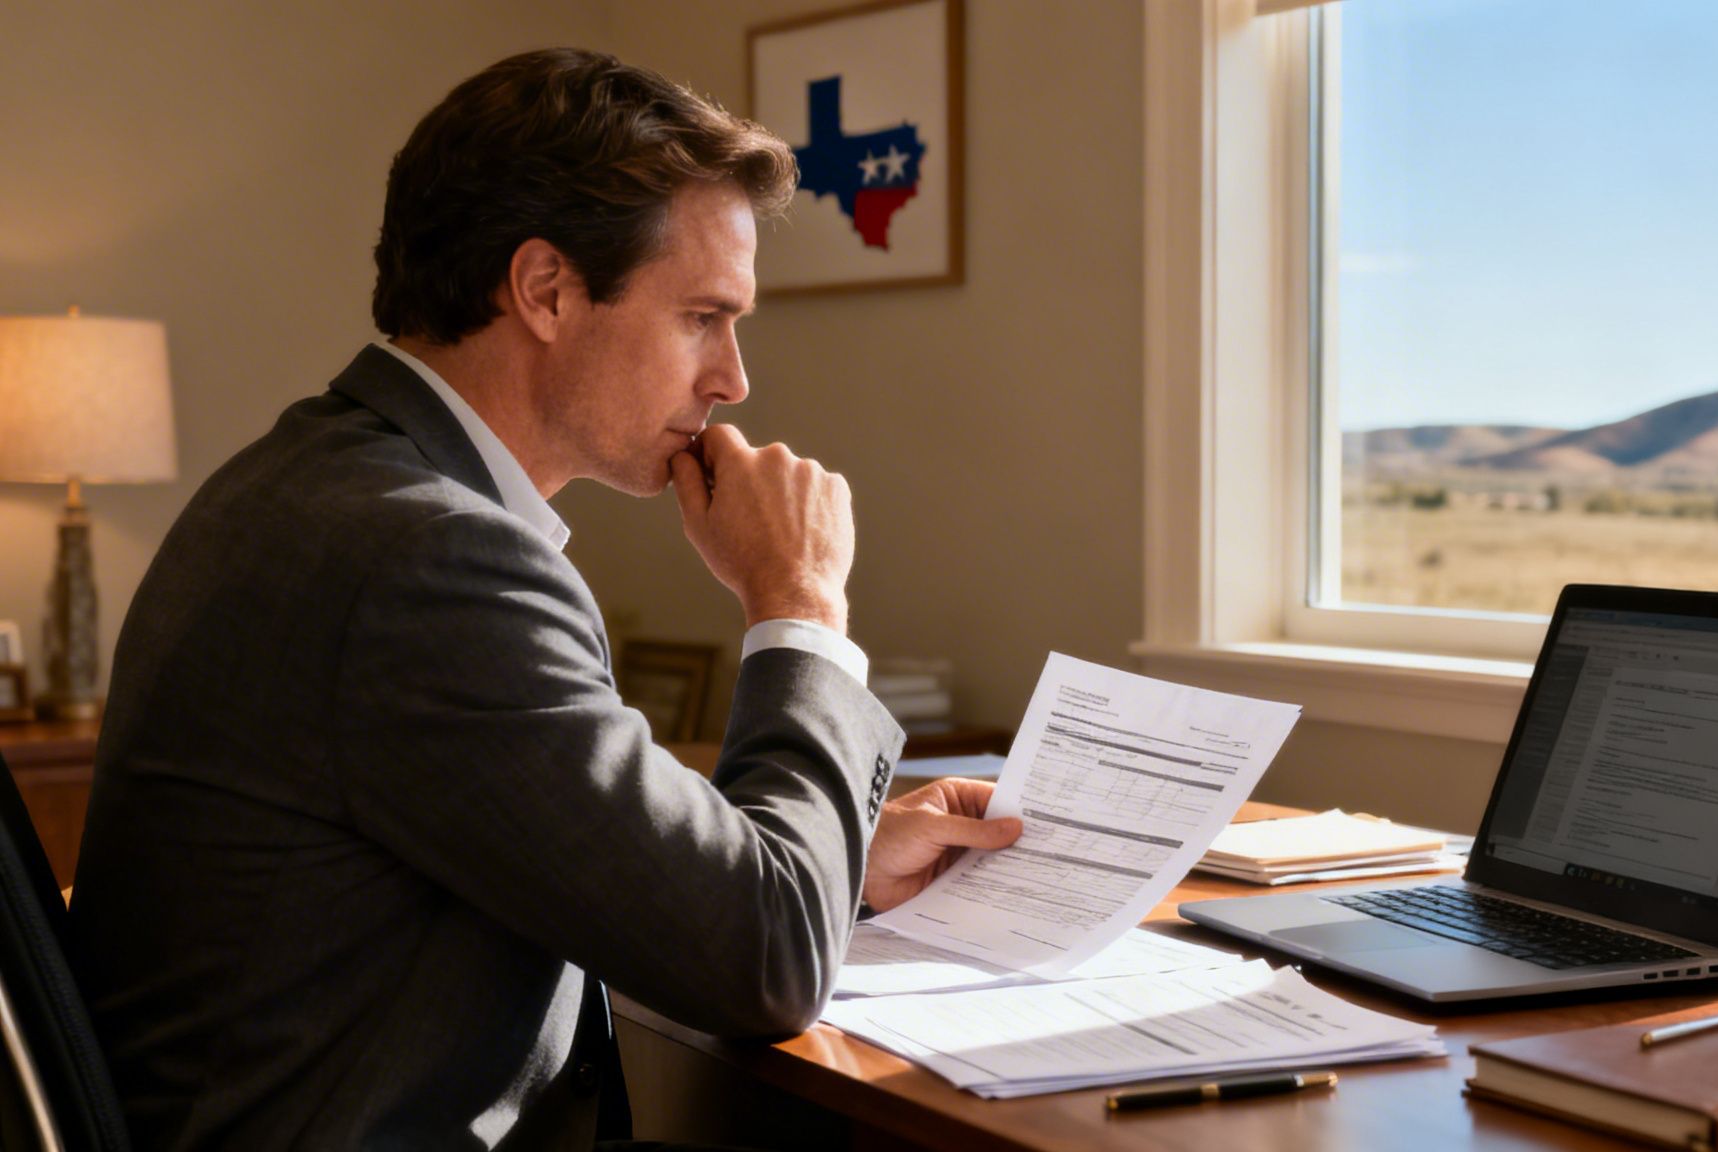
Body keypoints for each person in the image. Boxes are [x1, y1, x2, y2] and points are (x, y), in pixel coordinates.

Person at [67, 47, 1020, 1150]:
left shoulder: (308, 483)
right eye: (701, 317)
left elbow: (588, 852)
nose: (732, 378)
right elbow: (762, 963)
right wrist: (798, 600)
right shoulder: (430, 559)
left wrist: (832, 863)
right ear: (545, 290)